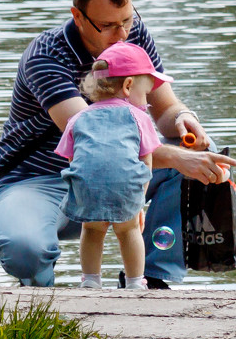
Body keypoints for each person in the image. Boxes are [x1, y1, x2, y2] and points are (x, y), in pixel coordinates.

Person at [0, 0, 236, 288]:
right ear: (78, 17)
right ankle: (41, 297)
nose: (122, 35)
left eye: (127, 21)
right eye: (108, 25)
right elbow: (96, 139)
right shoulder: (45, 57)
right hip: (38, 181)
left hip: (112, 174)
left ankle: (151, 279)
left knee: (205, 152)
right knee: (26, 251)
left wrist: (182, 119)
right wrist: (177, 158)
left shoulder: (133, 34)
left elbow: (165, 106)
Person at [56, 42, 172, 290]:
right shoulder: (139, 118)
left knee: (92, 230)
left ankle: (90, 280)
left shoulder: (78, 117)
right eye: (146, 93)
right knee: (129, 230)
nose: (146, 101)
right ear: (129, 85)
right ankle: (134, 282)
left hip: (86, 185)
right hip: (126, 186)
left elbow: (72, 158)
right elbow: (146, 160)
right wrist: (140, 197)